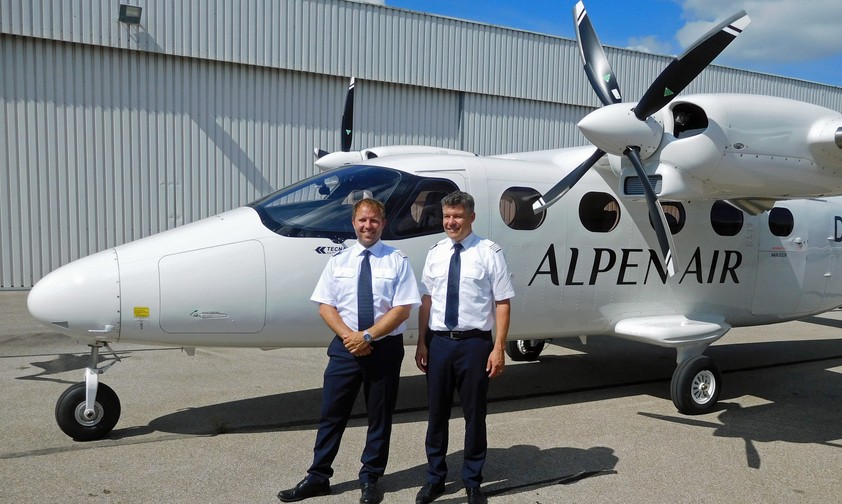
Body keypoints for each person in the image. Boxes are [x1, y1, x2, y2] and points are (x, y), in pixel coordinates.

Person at [279, 198, 421, 504]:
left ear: (383, 224)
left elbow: (403, 309)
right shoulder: (338, 261)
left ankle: (371, 478)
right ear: (353, 223)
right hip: (346, 348)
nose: (368, 226)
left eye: (374, 221)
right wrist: (350, 337)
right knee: (332, 413)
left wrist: (368, 336)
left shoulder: (397, 260)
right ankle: (318, 476)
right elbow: (325, 306)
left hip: (383, 348)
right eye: (362, 220)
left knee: (379, 416)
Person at [414, 191, 514, 504]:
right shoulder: (435, 252)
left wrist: (499, 347)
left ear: (471, 217)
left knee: (474, 415)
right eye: (447, 216)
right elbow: (427, 300)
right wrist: (421, 342)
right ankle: (435, 479)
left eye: (457, 216)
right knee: (437, 415)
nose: (451, 222)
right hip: (440, 343)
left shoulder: (489, 252)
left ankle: (472, 481)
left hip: (474, 345)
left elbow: (502, 302)